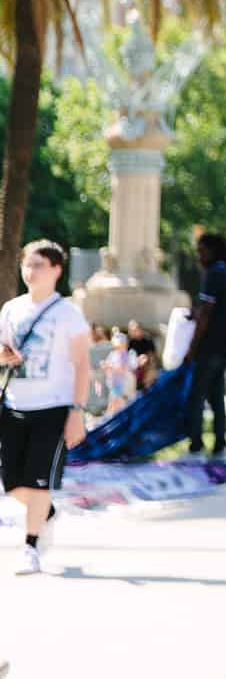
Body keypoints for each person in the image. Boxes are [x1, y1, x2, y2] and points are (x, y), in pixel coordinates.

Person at [1, 241, 92, 574]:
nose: (30, 270)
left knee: (39, 482)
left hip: (53, 408)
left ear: (56, 269)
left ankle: (30, 545)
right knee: (12, 483)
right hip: (14, 404)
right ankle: (46, 512)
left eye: (38, 264)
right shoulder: (11, 309)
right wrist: (4, 356)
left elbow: (82, 365)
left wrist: (77, 412)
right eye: (27, 264)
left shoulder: (68, 313)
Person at [184, 230, 226, 461]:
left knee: (196, 397)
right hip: (224, 345)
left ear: (212, 251)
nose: (199, 256)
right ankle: (220, 447)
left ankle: (196, 447)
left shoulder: (213, 274)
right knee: (216, 398)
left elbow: (207, 314)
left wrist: (192, 348)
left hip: (209, 347)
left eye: (201, 251)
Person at [101, 330, 137, 416]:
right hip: (113, 383)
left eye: (121, 344)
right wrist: (105, 366)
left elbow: (123, 369)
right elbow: (108, 367)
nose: (118, 347)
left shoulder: (126, 355)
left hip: (122, 384)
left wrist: (110, 367)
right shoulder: (113, 354)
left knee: (117, 405)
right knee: (114, 404)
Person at [125, 319, 158, 392]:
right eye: (131, 330)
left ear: (140, 329)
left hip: (146, 365)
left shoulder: (147, 339)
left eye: (135, 329)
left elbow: (152, 356)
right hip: (135, 366)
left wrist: (151, 369)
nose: (132, 332)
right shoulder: (129, 342)